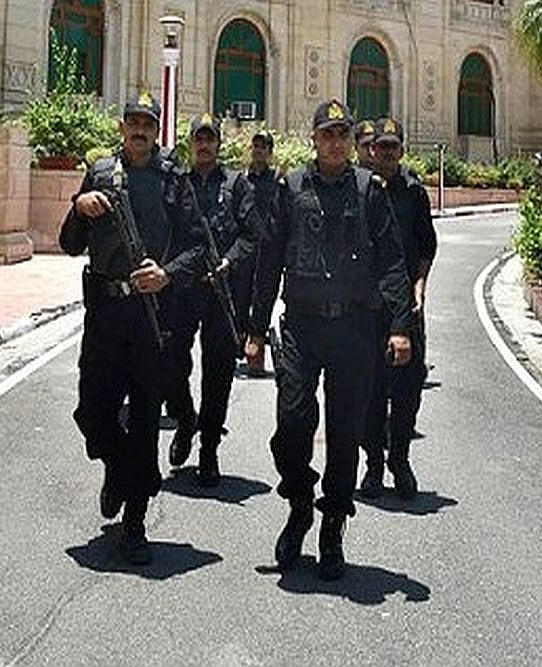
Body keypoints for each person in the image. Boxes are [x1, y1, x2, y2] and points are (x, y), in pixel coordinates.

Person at [244, 98, 415, 580]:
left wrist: (400, 327)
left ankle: (333, 524)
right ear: (314, 139)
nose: (336, 142)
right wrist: (255, 330)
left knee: (345, 435)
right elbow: (269, 260)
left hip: (354, 329)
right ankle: (300, 504)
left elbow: (392, 261)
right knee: (291, 424)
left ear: (351, 141)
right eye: (328, 134)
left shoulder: (368, 190)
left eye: (343, 134)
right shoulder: (291, 187)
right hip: (302, 325)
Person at [59, 91, 206, 564]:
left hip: (151, 315)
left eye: (148, 123)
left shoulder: (173, 179)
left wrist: (166, 274)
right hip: (105, 312)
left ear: (157, 130)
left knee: (144, 418)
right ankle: (122, 470)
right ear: (121, 128)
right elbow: (69, 243)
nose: (140, 130)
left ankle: (136, 523)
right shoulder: (101, 173)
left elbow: (198, 248)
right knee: (92, 412)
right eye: (133, 122)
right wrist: (78, 207)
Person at [165, 113, 260, 487]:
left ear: (219, 144)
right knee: (170, 362)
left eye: (210, 139)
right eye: (199, 139)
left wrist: (229, 261)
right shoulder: (177, 183)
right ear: (191, 143)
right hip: (183, 288)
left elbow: (252, 234)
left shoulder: (236, 184)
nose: (204, 145)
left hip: (221, 289)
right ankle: (184, 418)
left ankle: (208, 447)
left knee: (218, 373)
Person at [359, 116, 438, 499]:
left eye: (393, 147)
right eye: (382, 147)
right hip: (367, 307)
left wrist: (420, 285)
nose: (387, 153)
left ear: (401, 151)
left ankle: (400, 459)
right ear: (371, 150)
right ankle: (373, 464)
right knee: (370, 389)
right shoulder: (359, 189)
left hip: (406, 306)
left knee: (409, 385)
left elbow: (427, 246)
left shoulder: (414, 192)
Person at [236, 131, 279, 377]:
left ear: (270, 152)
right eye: (256, 146)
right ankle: (240, 342)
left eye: (263, 147)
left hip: (269, 250)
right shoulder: (242, 180)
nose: (259, 150)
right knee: (240, 297)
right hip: (245, 250)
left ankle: (257, 345)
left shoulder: (277, 181)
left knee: (263, 298)